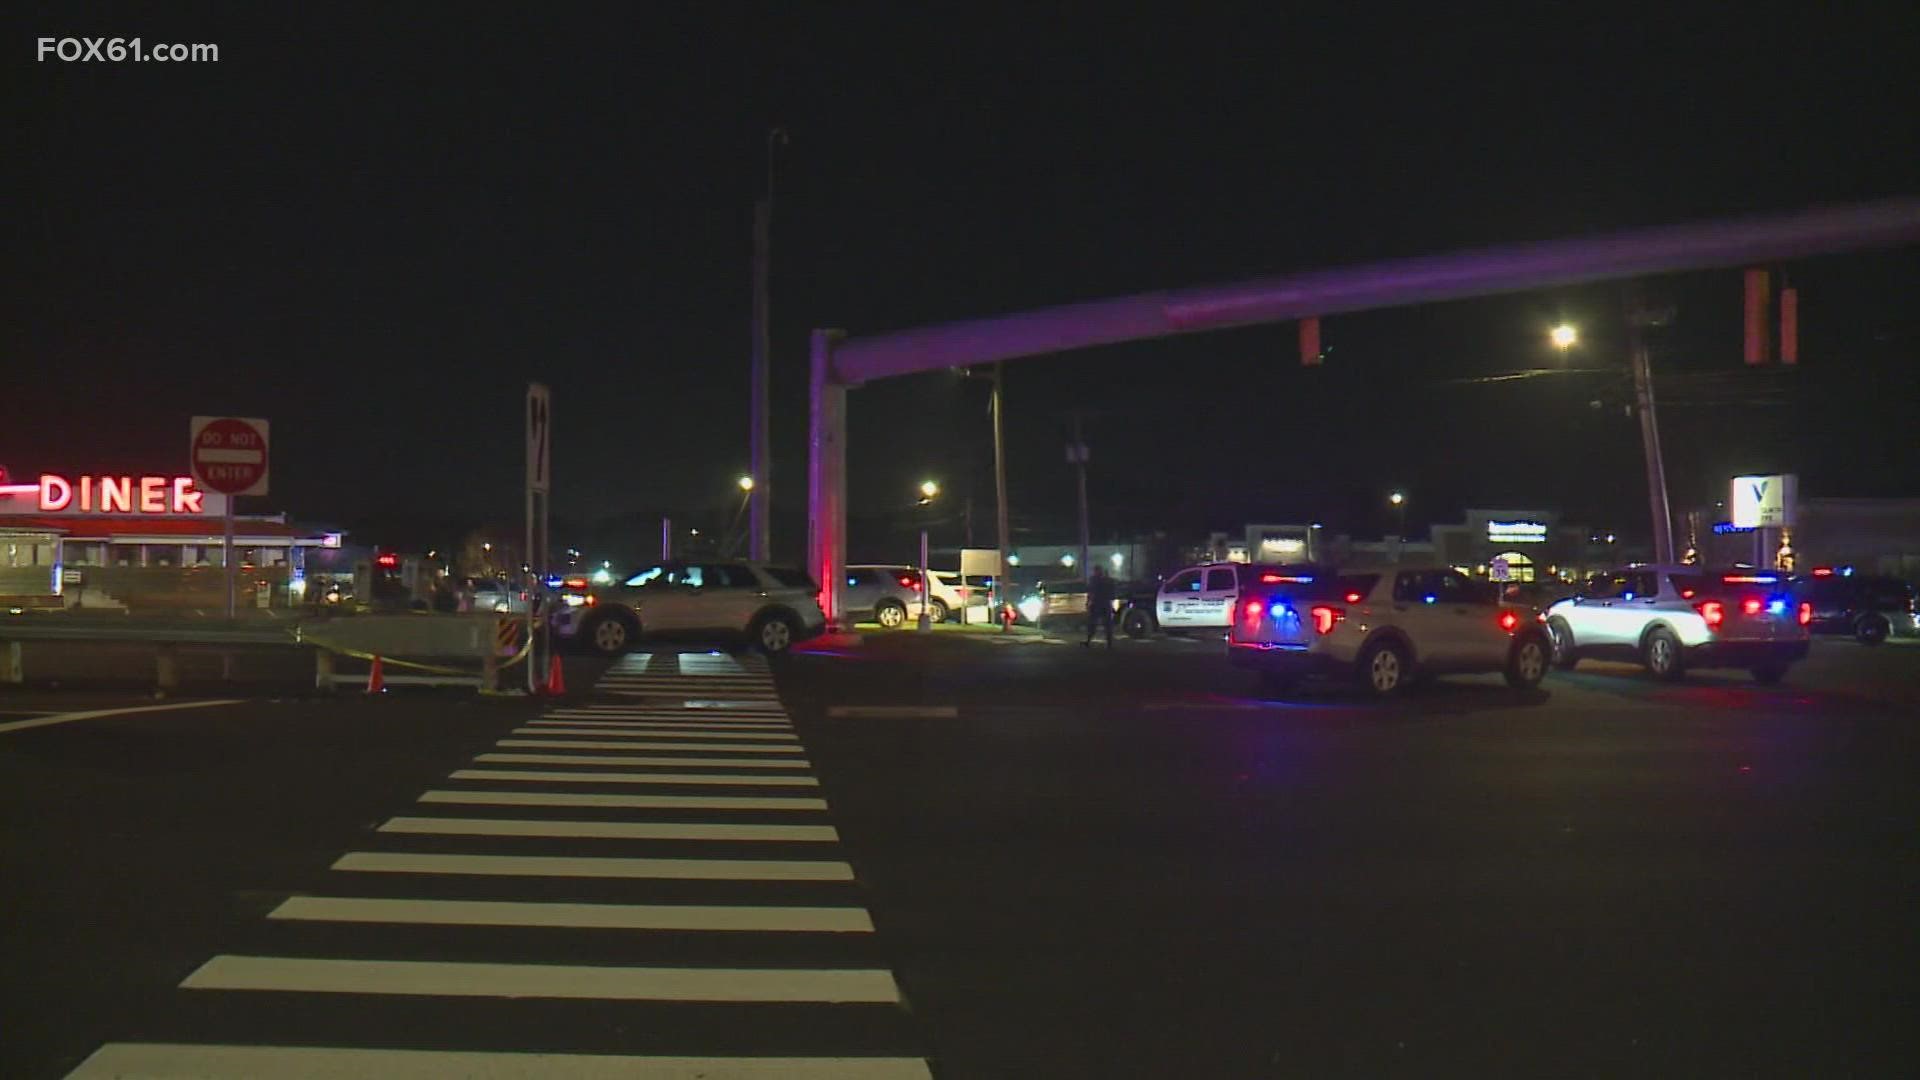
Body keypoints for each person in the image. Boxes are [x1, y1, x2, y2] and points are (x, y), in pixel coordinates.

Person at [1085, 564, 1116, 647]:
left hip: (1097, 603)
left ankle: (1089, 641)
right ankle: (1109, 643)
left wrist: (1088, 602)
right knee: (1106, 624)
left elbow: (1091, 592)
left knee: (1093, 623)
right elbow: (1112, 592)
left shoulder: (1094, 580)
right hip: (1104, 603)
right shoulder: (1107, 580)